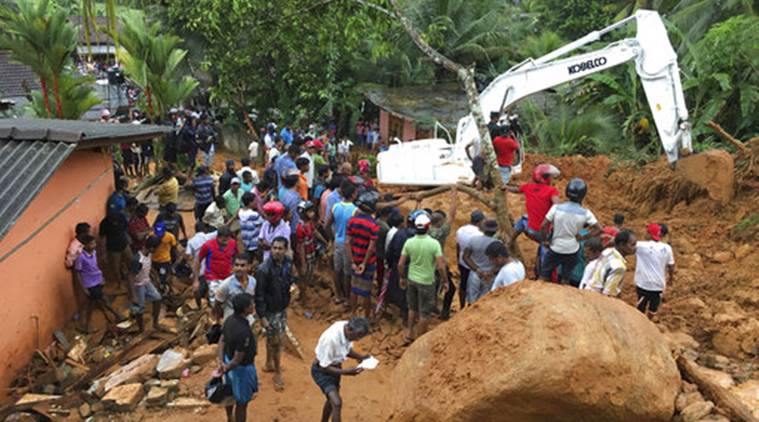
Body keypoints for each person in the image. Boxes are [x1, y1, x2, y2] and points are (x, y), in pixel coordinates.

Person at [540, 178, 602, 284]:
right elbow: (599, 229)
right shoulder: (586, 213)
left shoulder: (556, 208)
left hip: (555, 247)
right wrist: (583, 237)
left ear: (567, 192)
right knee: (566, 278)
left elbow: (543, 226)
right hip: (572, 250)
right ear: (583, 195)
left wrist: (545, 241)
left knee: (544, 275)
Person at [399, 213, 448, 344]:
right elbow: (441, 266)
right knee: (424, 312)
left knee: (412, 308)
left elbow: (400, 264)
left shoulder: (409, 242)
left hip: (412, 279)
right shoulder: (434, 244)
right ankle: (419, 340)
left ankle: (409, 334)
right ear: (428, 227)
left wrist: (402, 278)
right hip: (427, 281)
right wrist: (445, 281)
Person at [255, 236, 295, 391]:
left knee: (272, 338)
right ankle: (277, 373)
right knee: (277, 341)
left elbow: (289, 280)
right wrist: (262, 317)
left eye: (280, 248)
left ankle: (268, 363)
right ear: (270, 249)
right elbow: (259, 295)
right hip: (270, 311)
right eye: (274, 248)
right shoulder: (263, 270)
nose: (277, 251)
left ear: (285, 250)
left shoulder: (287, 263)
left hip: (281, 307)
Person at [312, 317, 371, 422]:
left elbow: (346, 350)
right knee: (336, 403)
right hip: (322, 371)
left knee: (331, 401)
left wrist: (361, 357)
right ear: (349, 330)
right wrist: (346, 372)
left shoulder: (346, 329)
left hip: (335, 368)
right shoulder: (330, 339)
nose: (357, 340)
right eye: (356, 337)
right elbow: (323, 367)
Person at [218, 293, 259, 422]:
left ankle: (230, 418)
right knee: (242, 402)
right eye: (251, 304)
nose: (254, 306)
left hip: (227, 360)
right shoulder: (243, 331)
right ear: (246, 309)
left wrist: (222, 362)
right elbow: (238, 358)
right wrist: (228, 367)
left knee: (229, 393)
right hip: (241, 370)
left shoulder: (229, 320)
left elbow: (221, 341)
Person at [74, 235, 121, 332]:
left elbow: (95, 266)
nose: (94, 245)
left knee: (93, 303)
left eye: (94, 243)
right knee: (102, 300)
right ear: (85, 245)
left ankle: (87, 324)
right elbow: (78, 272)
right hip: (89, 284)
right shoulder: (81, 257)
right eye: (91, 244)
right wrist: (83, 288)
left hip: (97, 280)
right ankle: (115, 315)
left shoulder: (94, 253)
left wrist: (101, 277)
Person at [346, 191, 380, 319]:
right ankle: (366, 318)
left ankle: (353, 314)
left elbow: (347, 242)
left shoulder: (351, 221)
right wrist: (364, 264)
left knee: (354, 288)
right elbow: (371, 247)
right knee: (366, 291)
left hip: (355, 259)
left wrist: (353, 262)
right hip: (368, 262)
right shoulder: (373, 225)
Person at [427, 187, 458, 319]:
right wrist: (454, 196)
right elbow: (452, 215)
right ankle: (444, 313)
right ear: (440, 222)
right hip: (437, 265)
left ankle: (432, 306)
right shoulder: (441, 233)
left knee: (432, 287)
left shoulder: (425, 231)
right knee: (450, 289)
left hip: (425, 264)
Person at [634, 223, 675, 319]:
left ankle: (640, 323)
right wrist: (671, 278)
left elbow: (628, 247)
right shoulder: (668, 248)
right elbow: (671, 266)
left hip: (643, 284)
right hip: (658, 285)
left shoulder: (641, 245)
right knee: (653, 308)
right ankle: (649, 322)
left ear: (649, 233)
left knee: (640, 307)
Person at [326, 182, 357, 303]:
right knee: (347, 272)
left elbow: (327, 225)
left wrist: (333, 237)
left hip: (337, 242)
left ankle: (338, 295)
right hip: (348, 244)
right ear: (353, 194)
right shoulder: (355, 210)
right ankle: (347, 297)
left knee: (337, 270)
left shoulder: (335, 207)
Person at [585, 230, 637, 297]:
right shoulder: (619, 266)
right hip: (596, 297)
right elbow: (608, 293)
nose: (635, 248)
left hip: (587, 290)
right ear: (622, 245)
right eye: (633, 244)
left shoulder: (607, 251)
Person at [194, 227, 237, 307]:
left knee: (230, 300)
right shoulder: (208, 246)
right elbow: (198, 261)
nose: (226, 242)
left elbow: (235, 255)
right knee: (215, 302)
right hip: (213, 277)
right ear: (218, 237)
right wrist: (196, 279)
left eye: (228, 240)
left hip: (228, 276)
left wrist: (233, 267)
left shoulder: (233, 243)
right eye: (224, 240)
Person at [128, 236, 164, 332]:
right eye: (156, 248)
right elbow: (130, 277)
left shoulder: (149, 255)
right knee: (140, 308)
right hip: (138, 285)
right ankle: (141, 329)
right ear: (152, 248)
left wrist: (155, 278)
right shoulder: (138, 260)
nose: (157, 250)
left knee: (158, 298)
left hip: (146, 281)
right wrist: (133, 295)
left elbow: (148, 267)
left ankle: (155, 323)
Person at [462, 219, 499, 303]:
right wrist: (491, 272)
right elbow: (501, 262)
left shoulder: (474, 240)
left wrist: (477, 269)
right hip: (490, 276)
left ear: (484, 229)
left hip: (475, 274)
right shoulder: (498, 243)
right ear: (496, 230)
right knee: (484, 301)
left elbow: (465, 257)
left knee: (471, 301)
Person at [455, 211, 485, 310]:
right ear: (480, 221)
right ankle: (471, 306)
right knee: (474, 287)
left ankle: (462, 306)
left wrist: (458, 260)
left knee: (463, 285)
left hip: (462, 262)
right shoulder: (479, 235)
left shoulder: (461, 230)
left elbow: (458, 246)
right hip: (473, 264)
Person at [296, 201, 326, 297]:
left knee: (312, 265)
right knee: (307, 268)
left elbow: (315, 232)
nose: (312, 213)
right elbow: (300, 247)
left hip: (311, 248)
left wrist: (324, 241)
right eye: (309, 212)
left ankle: (310, 280)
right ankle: (307, 286)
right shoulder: (300, 227)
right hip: (305, 252)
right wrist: (303, 262)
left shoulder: (309, 223)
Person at [215, 254, 257, 321]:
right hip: (231, 320)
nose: (239, 268)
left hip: (248, 319)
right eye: (236, 265)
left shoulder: (253, 281)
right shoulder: (225, 285)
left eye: (242, 265)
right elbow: (217, 304)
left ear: (249, 267)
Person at [99, 210, 132, 293]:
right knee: (115, 268)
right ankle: (120, 283)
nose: (114, 223)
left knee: (131, 262)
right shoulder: (104, 223)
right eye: (112, 221)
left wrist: (128, 240)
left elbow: (126, 229)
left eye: (115, 221)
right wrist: (103, 253)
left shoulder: (121, 217)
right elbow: (102, 238)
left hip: (124, 245)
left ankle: (133, 280)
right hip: (113, 249)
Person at [186, 222, 217, 308]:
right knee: (212, 291)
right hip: (211, 269)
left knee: (199, 291)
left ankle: (200, 306)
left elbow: (188, 256)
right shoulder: (208, 237)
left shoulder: (191, 241)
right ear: (204, 229)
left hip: (199, 272)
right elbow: (223, 229)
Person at [236, 192, 264, 264]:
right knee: (259, 261)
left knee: (249, 261)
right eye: (254, 201)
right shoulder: (254, 215)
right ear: (250, 203)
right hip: (255, 243)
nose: (256, 202)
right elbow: (262, 225)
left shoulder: (240, 212)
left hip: (245, 242)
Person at [151, 221, 177, 292]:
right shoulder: (151, 236)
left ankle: (164, 289)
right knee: (155, 277)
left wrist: (174, 260)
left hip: (165, 261)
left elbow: (174, 249)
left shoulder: (170, 237)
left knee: (163, 276)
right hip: (154, 260)